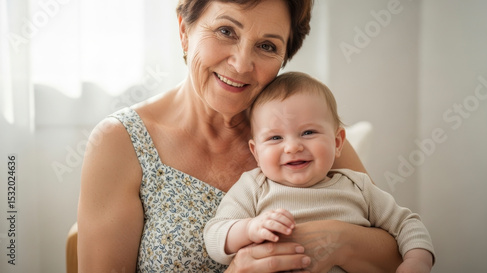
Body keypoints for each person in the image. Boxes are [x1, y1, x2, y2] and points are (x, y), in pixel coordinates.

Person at [78, 1, 404, 272]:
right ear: (184, 31)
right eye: (225, 31)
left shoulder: (304, 138)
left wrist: (333, 240)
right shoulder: (119, 141)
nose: (241, 63)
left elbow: (394, 251)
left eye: (266, 46)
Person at [204, 72, 435, 273]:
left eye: (308, 132)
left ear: (337, 142)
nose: (293, 147)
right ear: (256, 152)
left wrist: (418, 259)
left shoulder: (358, 186)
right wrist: (248, 229)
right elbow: (214, 234)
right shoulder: (254, 187)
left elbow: (406, 224)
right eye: (275, 138)